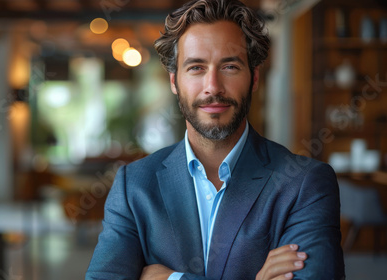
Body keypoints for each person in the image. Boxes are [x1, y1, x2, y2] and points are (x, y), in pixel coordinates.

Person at [86, 0, 345, 279]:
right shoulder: (133, 185)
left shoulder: (305, 183)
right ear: (174, 81)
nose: (213, 87)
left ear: (254, 78)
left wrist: (173, 278)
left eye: (230, 67)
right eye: (196, 67)